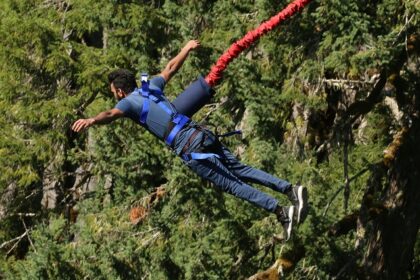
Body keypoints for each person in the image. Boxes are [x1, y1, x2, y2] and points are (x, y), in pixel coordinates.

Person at [72, 40, 308, 241]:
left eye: (113, 93)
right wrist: (186, 49)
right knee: (240, 169)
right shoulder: (150, 87)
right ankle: (290, 190)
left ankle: (281, 212)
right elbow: (170, 68)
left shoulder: (127, 103)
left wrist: (92, 120)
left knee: (232, 184)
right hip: (200, 132)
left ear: (120, 92)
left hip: (187, 145)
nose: (115, 98)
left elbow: (111, 114)